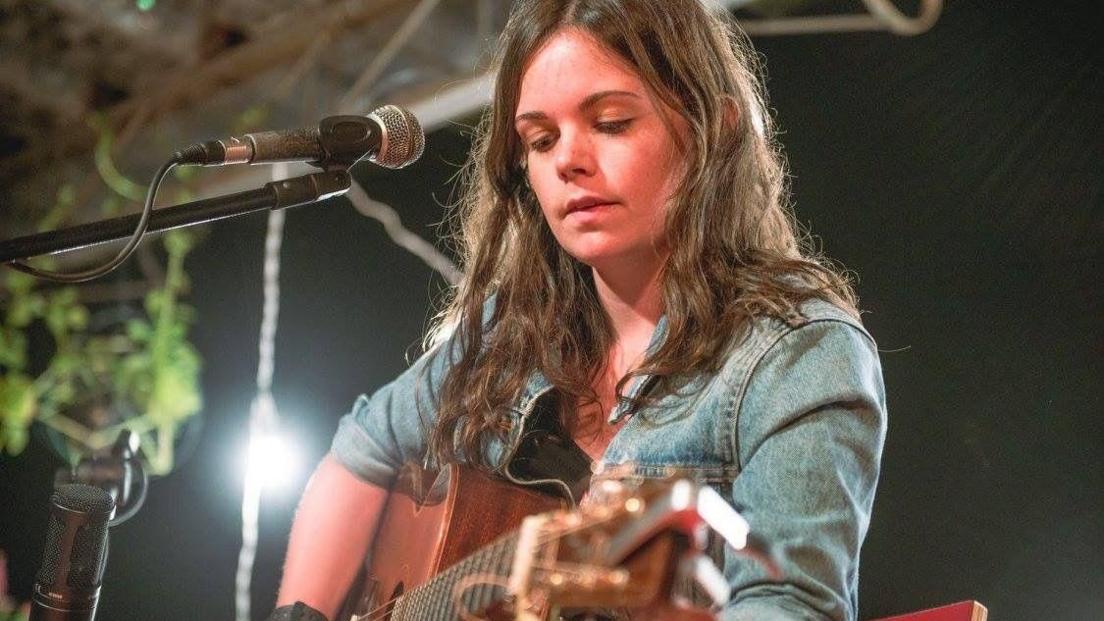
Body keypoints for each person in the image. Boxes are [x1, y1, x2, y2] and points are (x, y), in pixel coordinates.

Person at [272, 1, 886, 620]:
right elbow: (361, 449)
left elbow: (790, 606)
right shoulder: (506, 341)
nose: (568, 159)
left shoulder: (798, 355)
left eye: (612, 122)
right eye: (541, 139)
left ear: (715, 130)